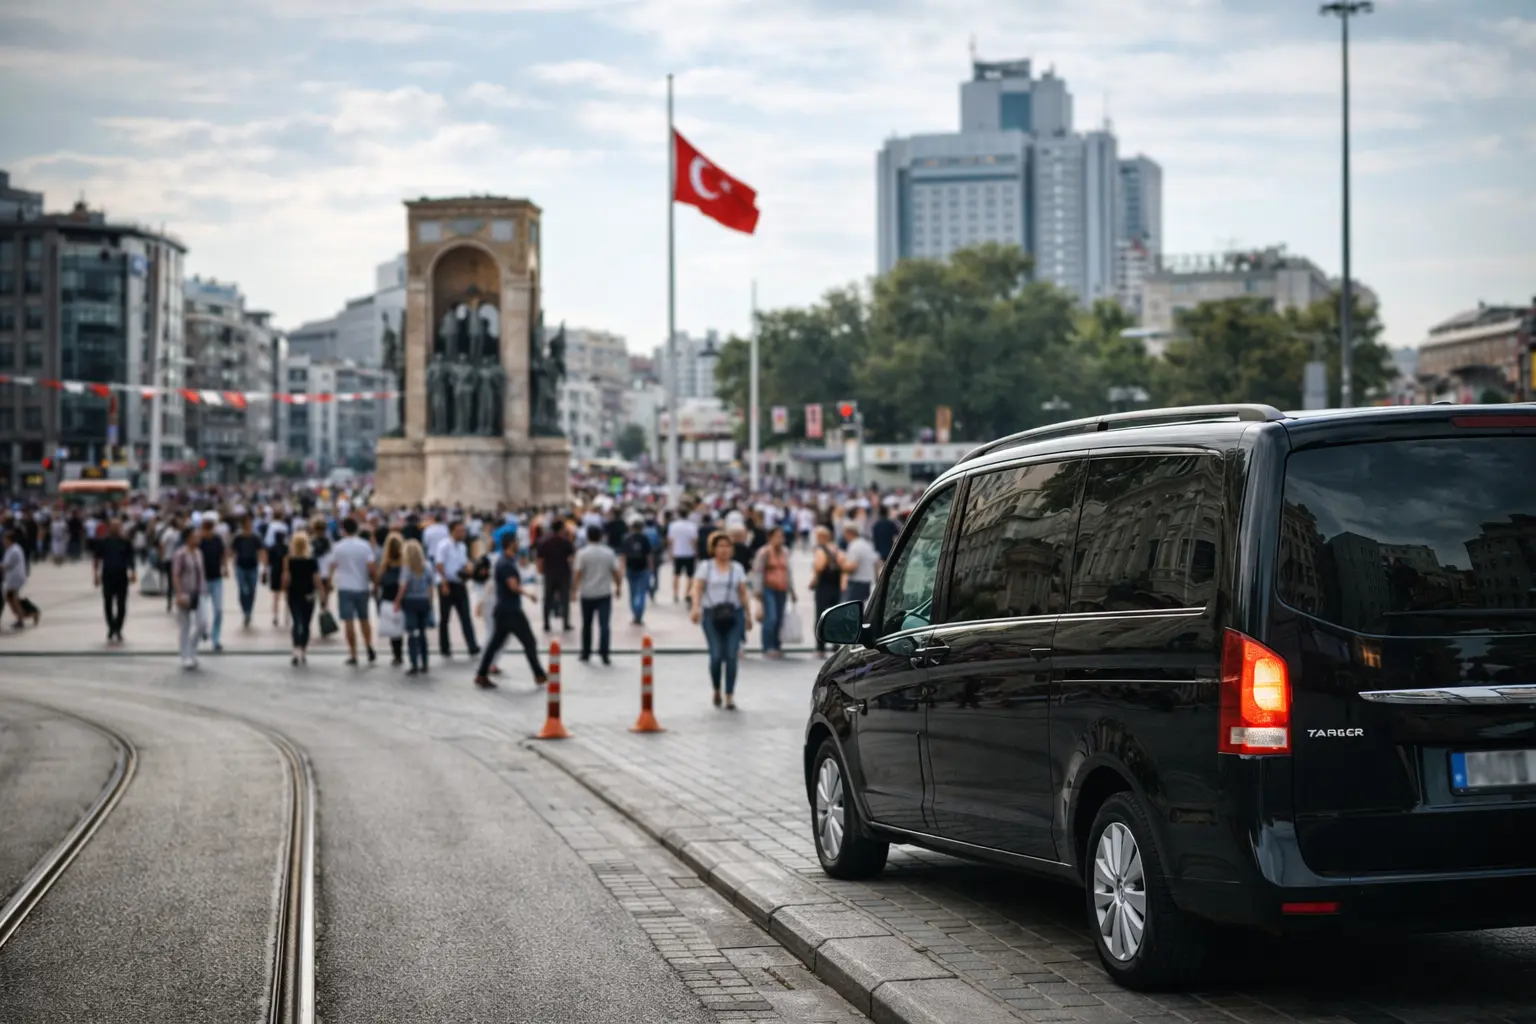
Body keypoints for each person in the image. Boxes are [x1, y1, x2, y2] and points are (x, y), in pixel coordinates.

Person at [474, 531, 547, 690]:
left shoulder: (505, 561)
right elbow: (512, 586)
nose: (519, 544)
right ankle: (539, 674)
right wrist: (528, 594)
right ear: (510, 544)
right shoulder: (506, 564)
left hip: (503, 610)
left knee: (495, 644)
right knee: (529, 642)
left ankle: (481, 674)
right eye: (516, 542)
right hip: (511, 611)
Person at [690, 531, 753, 710]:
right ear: (713, 548)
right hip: (711, 614)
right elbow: (697, 588)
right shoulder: (706, 567)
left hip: (734, 615)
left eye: (727, 546)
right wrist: (695, 608)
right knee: (716, 655)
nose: (724, 550)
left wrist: (748, 615)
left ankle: (729, 695)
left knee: (732, 655)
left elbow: (743, 592)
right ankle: (717, 688)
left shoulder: (737, 568)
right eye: (720, 546)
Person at [328, 517, 377, 666]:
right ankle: (368, 645)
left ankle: (353, 653)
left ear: (343, 530)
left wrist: (329, 583)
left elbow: (332, 566)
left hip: (345, 587)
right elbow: (371, 567)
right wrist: (374, 583)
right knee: (364, 619)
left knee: (348, 621)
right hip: (361, 586)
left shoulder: (338, 547)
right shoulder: (365, 546)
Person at [572, 524, 621, 665]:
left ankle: (586, 652)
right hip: (604, 593)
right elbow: (616, 572)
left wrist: (574, 590)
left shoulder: (582, 553)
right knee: (604, 625)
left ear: (587, 536)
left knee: (586, 624)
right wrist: (618, 587)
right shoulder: (609, 552)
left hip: (587, 593)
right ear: (601, 537)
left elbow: (578, 573)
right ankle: (604, 653)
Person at [433, 520, 479, 659]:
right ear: (453, 531)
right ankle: (445, 647)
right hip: (447, 584)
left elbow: (463, 562)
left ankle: (472, 646)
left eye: (464, 531)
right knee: (445, 618)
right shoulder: (443, 546)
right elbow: (439, 565)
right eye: (460, 531)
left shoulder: (462, 546)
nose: (463, 533)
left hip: (459, 583)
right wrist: (444, 583)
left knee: (465, 616)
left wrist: (470, 568)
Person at [394, 539, 437, 675]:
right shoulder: (427, 566)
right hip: (423, 601)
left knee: (412, 633)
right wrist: (430, 602)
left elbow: (403, 586)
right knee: (422, 633)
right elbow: (431, 586)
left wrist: (397, 601)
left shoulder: (407, 568)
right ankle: (425, 662)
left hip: (410, 601)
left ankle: (414, 664)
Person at [751, 527, 794, 659]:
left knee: (780, 618)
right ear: (770, 538)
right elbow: (757, 572)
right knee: (771, 617)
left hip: (782, 589)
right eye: (777, 536)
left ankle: (777, 645)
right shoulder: (764, 552)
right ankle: (768, 646)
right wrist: (758, 592)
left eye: (781, 536)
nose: (780, 539)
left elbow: (788, 572)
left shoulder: (785, 552)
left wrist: (792, 590)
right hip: (768, 588)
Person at [94, 518, 136, 643]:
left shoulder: (125, 542)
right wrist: (95, 575)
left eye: (118, 526)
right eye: (113, 526)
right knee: (107, 603)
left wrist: (133, 572)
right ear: (109, 527)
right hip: (107, 575)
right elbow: (97, 558)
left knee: (121, 604)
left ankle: (118, 627)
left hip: (122, 576)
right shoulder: (104, 541)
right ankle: (111, 626)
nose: (115, 529)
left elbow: (131, 558)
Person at [281, 532, 320, 666]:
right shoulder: (312, 561)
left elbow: (286, 578)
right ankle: (303, 649)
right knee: (307, 623)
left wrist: (284, 589)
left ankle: (296, 649)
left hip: (294, 593)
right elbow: (316, 578)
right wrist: (322, 592)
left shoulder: (289, 560)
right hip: (308, 594)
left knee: (297, 621)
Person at [171, 527, 206, 670]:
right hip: (185, 592)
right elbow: (176, 574)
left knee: (202, 623)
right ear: (188, 538)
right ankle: (185, 655)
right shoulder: (180, 554)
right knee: (185, 625)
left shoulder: (198, 553)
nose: (197, 539)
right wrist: (179, 593)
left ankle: (192, 648)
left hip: (199, 592)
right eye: (195, 537)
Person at [535, 519, 575, 633]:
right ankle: (566, 623)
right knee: (565, 599)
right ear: (561, 529)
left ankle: (546, 624)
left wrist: (541, 571)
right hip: (563, 574)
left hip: (549, 574)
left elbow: (540, 559)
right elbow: (571, 558)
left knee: (547, 599)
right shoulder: (566, 542)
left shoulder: (545, 542)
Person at [811, 526, 844, 657]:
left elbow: (819, 567)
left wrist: (813, 580)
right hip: (835, 586)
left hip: (823, 586)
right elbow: (843, 564)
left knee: (821, 615)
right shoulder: (837, 549)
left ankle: (820, 647)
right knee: (834, 615)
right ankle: (835, 644)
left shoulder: (821, 550)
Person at [376, 532, 406, 666]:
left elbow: (379, 581)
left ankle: (397, 654)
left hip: (388, 599)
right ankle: (406, 653)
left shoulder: (385, 565)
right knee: (404, 627)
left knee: (393, 629)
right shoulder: (405, 564)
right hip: (403, 599)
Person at [230, 516, 264, 629]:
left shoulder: (255, 537)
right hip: (241, 566)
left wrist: (262, 565)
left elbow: (260, 550)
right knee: (243, 590)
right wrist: (233, 565)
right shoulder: (238, 537)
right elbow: (233, 551)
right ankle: (245, 610)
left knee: (252, 590)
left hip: (253, 566)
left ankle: (249, 611)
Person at [3, 528, 38, 629]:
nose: (3, 541)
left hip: (16, 578)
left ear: (10, 540)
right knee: (11, 598)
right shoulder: (10, 549)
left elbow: (8, 564)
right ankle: (26, 614)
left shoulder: (14, 550)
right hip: (12, 578)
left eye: (5, 540)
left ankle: (23, 617)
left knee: (13, 598)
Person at [620, 519, 653, 626]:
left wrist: (622, 568)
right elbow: (649, 555)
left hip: (630, 568)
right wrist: (651, 568)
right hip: (643, 568)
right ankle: (639, 614)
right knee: (641, 592)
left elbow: (623, 555)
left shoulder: (627, 539)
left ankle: (635, 614)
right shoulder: (645, 539)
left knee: (632, 592)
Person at [839, 523, 878, 607]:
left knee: (851, 607)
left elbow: (852, 567)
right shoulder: (866, 544)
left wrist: (841, 563)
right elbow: (876, 561)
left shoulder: (854, 546)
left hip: (856, 582)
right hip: (867, 581)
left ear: (849, 533)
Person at [667, 510, 699, 605]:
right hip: (689, 553)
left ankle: (675, 594)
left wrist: (671, 552)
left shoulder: (673, 525)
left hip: (677, 552)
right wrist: (696, 552)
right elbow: (694, 541)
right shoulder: (692, 526)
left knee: (676, 574)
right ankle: (687, 593)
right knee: (690, 575)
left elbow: (670, 540)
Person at [266, 518, 289, 628]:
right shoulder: (286, 548)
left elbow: (268, 561)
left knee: (276, 596)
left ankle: (275, 616)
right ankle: (287, 616)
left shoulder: (272, 548)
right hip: (284, 572)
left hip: (275, 572)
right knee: (286, 596)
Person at [872, 504, 900, 569]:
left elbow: (874, 538)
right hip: (889, 551)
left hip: (878, 553)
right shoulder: (890, 523)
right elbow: (897, 535)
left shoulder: (876, 525)